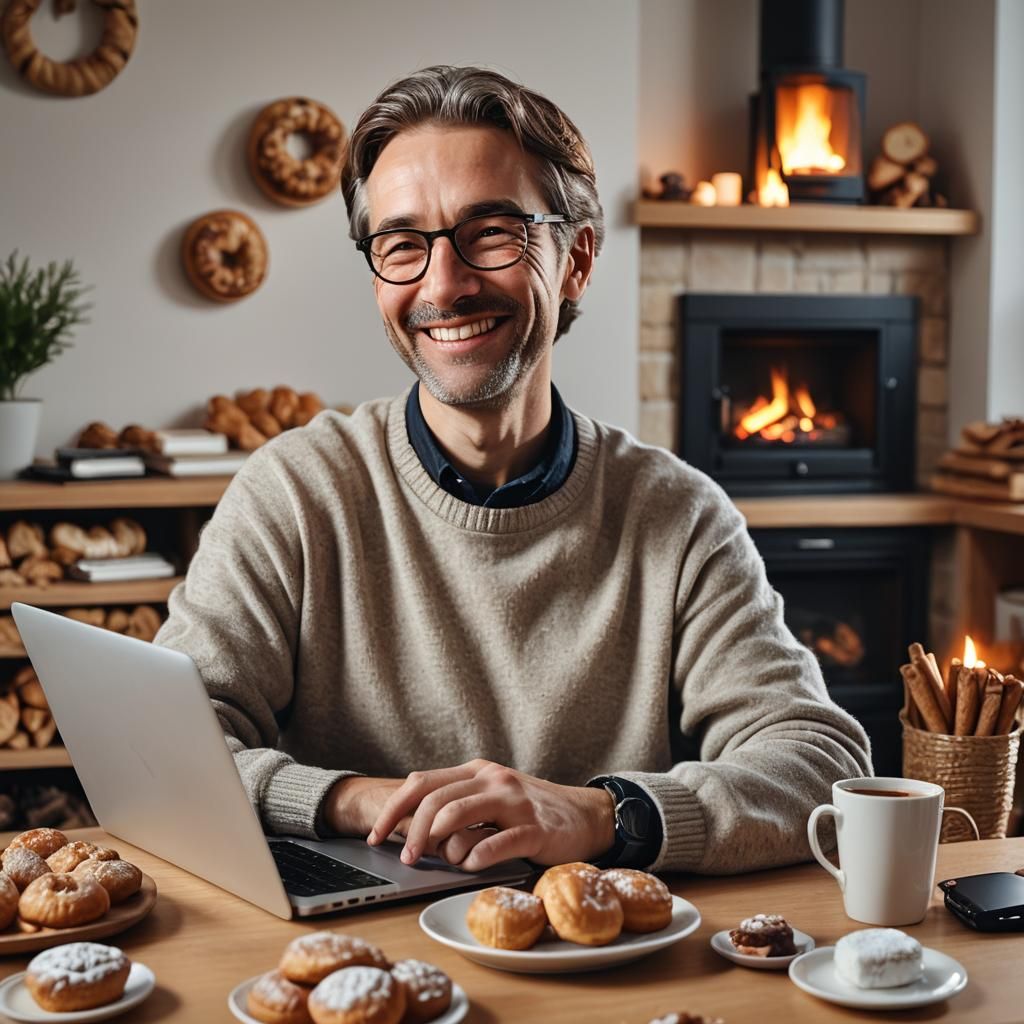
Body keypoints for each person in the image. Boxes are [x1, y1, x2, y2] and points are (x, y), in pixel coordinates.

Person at [155, 65, 871, 877]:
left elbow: (821, 764)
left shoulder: (677, 517)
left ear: (576, 260)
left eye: (491, 232)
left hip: (599, 942)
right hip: (351, 942)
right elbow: (170, 745)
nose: (444, 285)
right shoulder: (294, 492)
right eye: (402, 244)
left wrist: (601, 813)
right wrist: (364, 801)